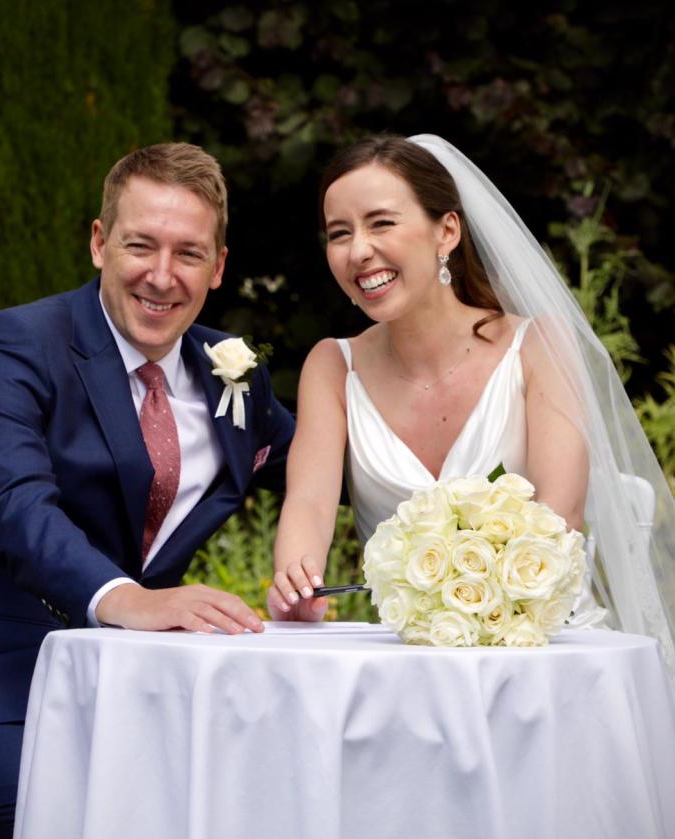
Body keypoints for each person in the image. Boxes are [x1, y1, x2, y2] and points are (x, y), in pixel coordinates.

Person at [0, 142, 295, 839]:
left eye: (189, 253)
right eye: (140, 245)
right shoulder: (14, 346)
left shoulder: (231, 372)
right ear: (100, 242)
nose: (161, 275)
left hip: (128, 705)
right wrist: (128, 599)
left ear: (218, 266)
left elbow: (323, 469)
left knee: (265, 816)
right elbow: (13, 507)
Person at [269, 134, 675, 668]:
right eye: (339, 233)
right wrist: (297, 583)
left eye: (381, 223)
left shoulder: (539, 345)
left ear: (447, 231)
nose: (358, 250)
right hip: (411, 656)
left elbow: (562, 513)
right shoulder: (331, 365)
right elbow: (310, 503)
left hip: (541, 653)